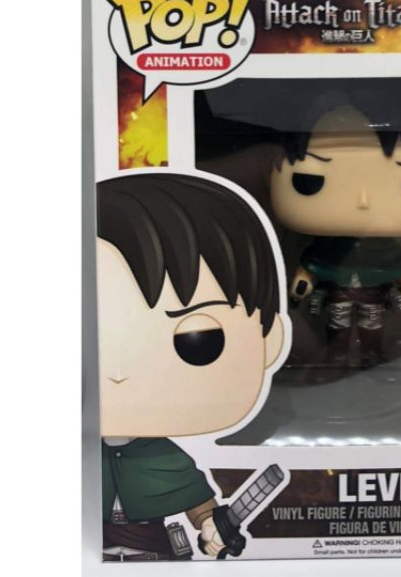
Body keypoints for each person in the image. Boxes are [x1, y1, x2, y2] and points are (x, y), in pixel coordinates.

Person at [96, 173, 288, 560]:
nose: (117, 374)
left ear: (270, 340)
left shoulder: (166, 458)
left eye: (197, 342)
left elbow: (199, 506)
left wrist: (211, 527)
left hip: (153, 553)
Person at [270, 105, 401, 369]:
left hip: (374, 295)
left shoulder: (385, 248)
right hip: (338, 293)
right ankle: (337, 357)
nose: (363, 201)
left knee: (372, 324)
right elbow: (311, 266)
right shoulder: (328, 247)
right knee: (338, 321)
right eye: (309, 180)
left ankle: (372, 357)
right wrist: (301, 284)